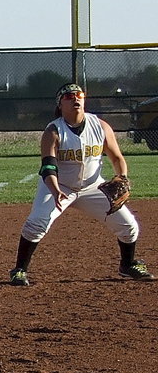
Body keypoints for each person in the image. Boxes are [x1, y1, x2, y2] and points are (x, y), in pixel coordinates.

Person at [10, 83, 153, 286]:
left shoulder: (100, 126)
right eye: (68, 96)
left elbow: (117, 157)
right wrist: (55, 190)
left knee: (129, 226)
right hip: (59, 186)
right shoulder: (53, 130)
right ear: (60, 104)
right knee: (36, 224)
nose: (75, 99)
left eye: (79, 95)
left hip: (93, 187)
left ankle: (128, 265)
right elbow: (48, 168)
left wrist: (122, 177)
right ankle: (19, 270)